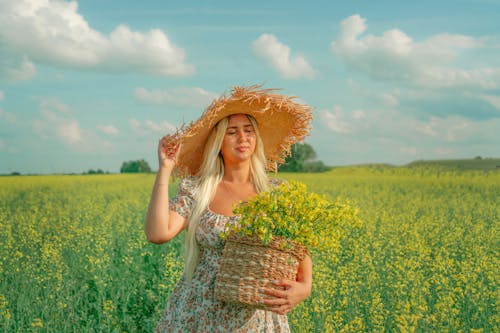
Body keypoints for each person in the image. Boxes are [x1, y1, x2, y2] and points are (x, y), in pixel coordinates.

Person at [145, 85, 314, 332]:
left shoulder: (275, 194)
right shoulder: (198, 191)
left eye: (248, 131)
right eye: (232, 132)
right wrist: (165, 169)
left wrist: (305, 287)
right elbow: (158, 233)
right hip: (199, 312)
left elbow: (298, 250)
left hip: (256, 318)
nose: (243, 138)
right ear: (218, 142)